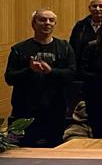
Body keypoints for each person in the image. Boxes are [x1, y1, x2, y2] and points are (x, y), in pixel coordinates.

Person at [4, 9, 77, 147]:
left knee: (54, 148)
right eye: (42, 20)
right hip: (25, 109)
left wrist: (51, 71)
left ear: (55, 24)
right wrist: (29, 70)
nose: (47, 23)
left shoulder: (65, 47)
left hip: (55, 108)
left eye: (51, 20)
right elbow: (9, 78)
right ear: (33, 24)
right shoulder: (19, 49)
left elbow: (72, 74)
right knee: (25, 148)